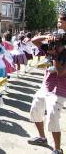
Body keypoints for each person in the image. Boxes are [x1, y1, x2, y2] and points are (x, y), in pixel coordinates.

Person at [28, 13, 66, 154]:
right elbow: (34, 40)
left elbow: (61, 72)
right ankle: (42, 138)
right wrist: (48, 37)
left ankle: (57, 149)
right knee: (35, 110)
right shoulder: (55, 40)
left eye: (60, 21)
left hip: (60, 89)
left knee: (52, 117)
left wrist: (55, 54)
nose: (58, 24)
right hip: (46, 84)